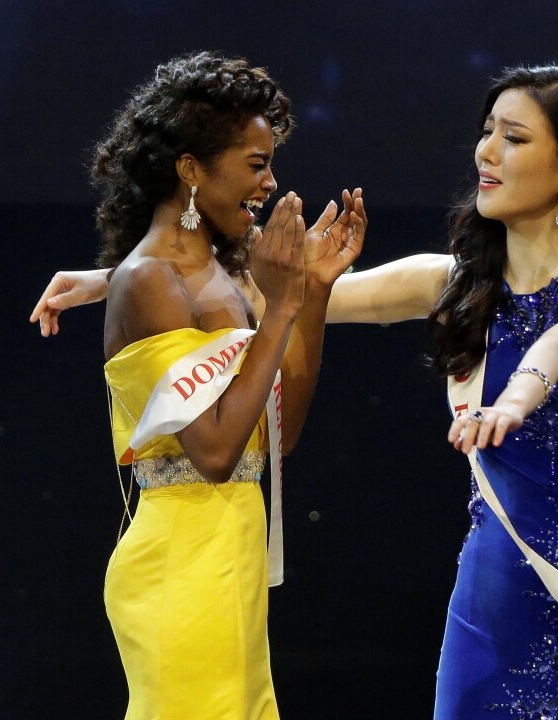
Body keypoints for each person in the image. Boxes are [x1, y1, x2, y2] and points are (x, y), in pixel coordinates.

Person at [31, 63, 558, 719]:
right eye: (487, 131)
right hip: (491, 601)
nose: (487, 151)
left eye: (514, 137)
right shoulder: (451, 282)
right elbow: (273, 296)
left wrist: (516, 397)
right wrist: (113, 279)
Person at [68, 50, 364, 719]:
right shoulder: (149, 280)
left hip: (231, 562)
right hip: (180, 568)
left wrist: (312, 293)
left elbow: (275, 439)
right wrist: (281, 306)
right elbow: (213, 451)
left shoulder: (224, 276)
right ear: (191, 170)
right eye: (256, 164)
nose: (269, 182)